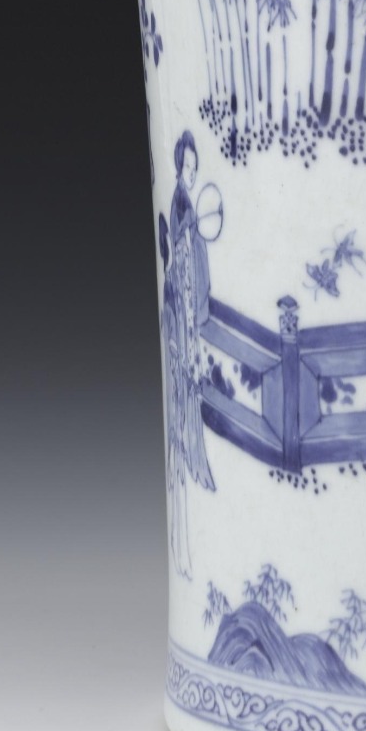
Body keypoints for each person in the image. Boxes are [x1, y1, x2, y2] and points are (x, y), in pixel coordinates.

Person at [161, 131, 217, 580]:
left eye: (195, 168)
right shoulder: (181, 204)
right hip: (180, 320)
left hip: (183, 317)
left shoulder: (186, 205)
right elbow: (181, 263)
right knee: (184, 397)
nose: (192, 174)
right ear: (177, 167)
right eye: (188, 167)